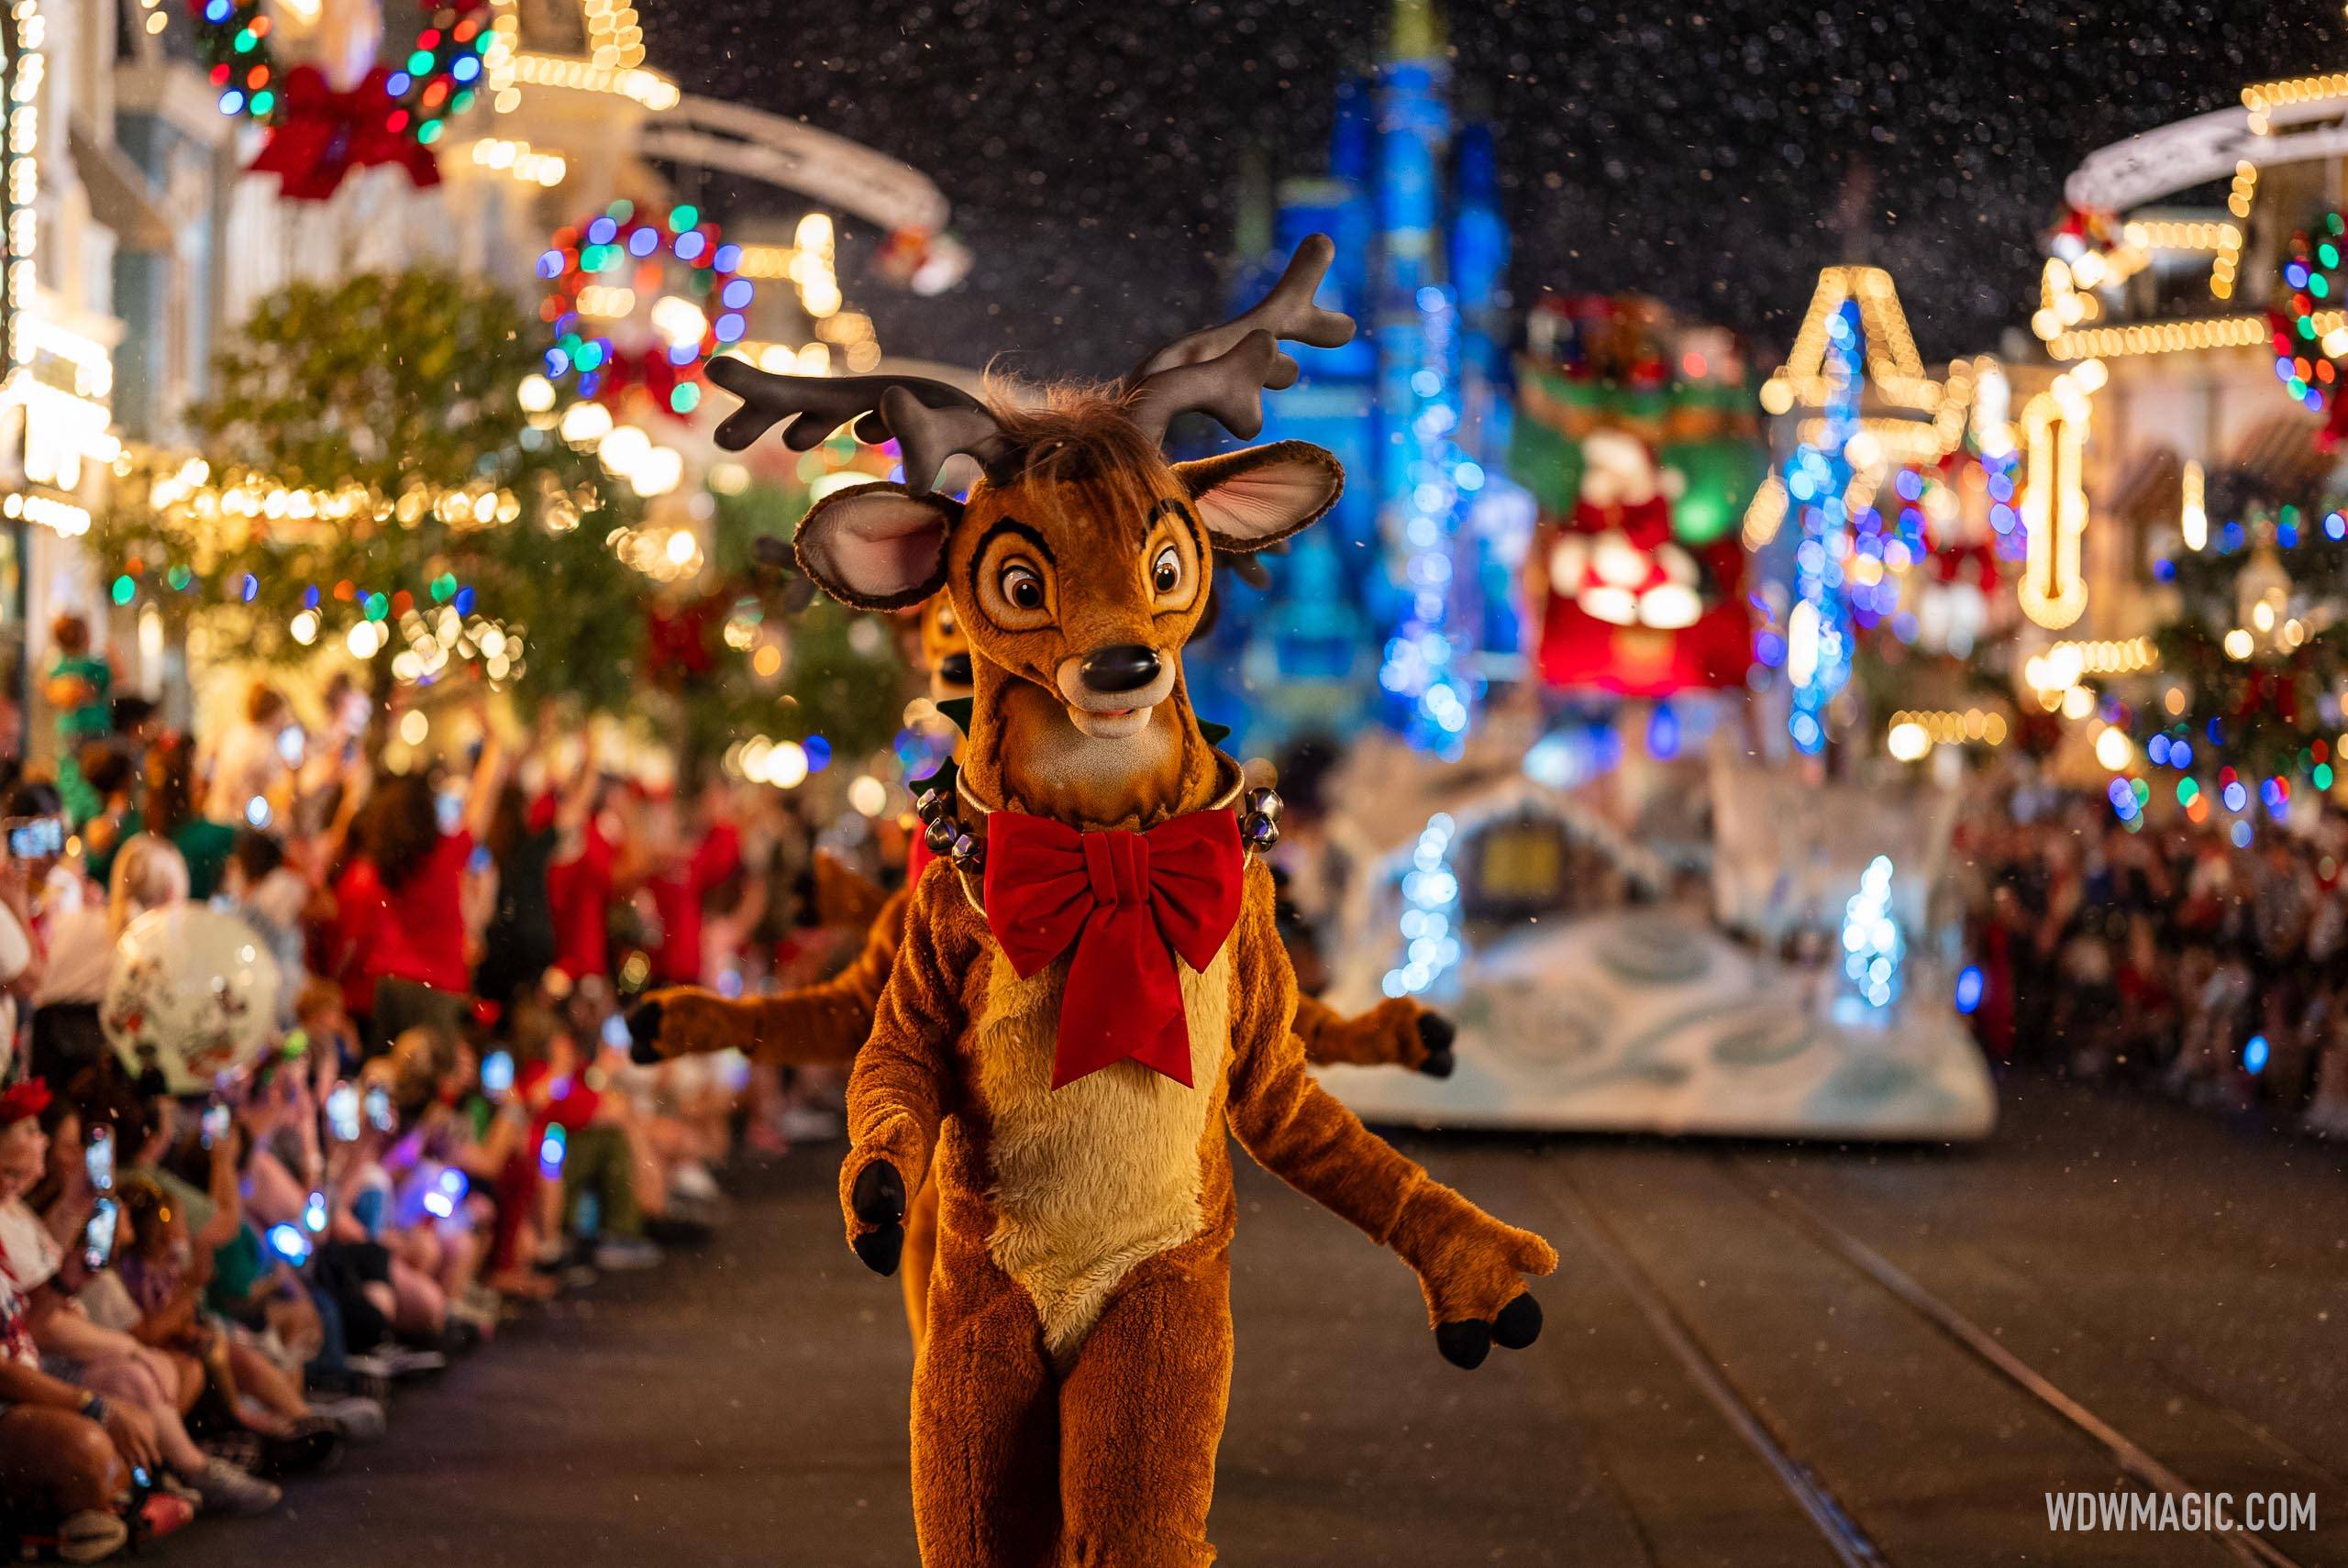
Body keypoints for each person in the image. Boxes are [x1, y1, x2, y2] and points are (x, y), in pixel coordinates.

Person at [334, 722, 504, 1050]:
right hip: (438, 986)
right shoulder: (446, 854)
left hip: (389, 982)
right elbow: (484, 798)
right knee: (429, 1079)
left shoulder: (384, 866)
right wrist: (493, 738)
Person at [138, 737, 237, 902]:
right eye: (196, 771)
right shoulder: (209, 836)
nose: (202, 779)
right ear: (188, 783)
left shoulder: (140, 829)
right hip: (196, 922)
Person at [42, 616, 111, 825]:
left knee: (70, 777)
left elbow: (52, 692)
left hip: (69, 731)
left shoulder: (57, 668)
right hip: (94, 730)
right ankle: (90, 819)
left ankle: (72, 820)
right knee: (94, 778)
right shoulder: (96, 667)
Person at [203, 683, 297, 828]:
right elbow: (279, 794)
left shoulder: (235, 734)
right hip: (238, 827)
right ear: (274, 715)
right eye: (283, 714)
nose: (286, 721)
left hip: (214, 817)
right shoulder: (265, 745)